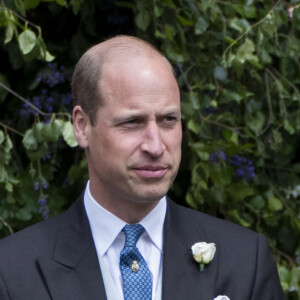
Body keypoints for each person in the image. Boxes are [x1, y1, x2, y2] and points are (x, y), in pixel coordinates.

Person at [0, 35, 285, 300]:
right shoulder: (12, 271)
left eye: (168, 120)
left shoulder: (245, 261)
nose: (155, 145)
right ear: (82, 126)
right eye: (132, 122)